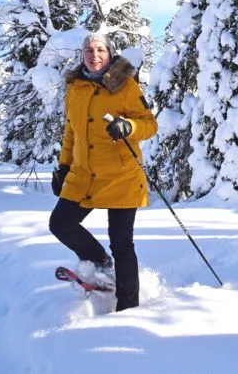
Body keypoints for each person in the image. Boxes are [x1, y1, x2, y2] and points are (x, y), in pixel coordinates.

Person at [49, 32, 158, 312]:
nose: (94, 55)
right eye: (88, 50)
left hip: (121, 175)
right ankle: (100, 262)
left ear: (110, 54)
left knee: (121, 244)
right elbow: (71, 132)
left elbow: (149, 124)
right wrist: (64, 166)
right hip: (84, 174)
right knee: (60, 223)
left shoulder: (125, 85)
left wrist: (128, 127)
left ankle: (128, 308)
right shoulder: (76, 87)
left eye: (100, 50)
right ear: (82, 54)